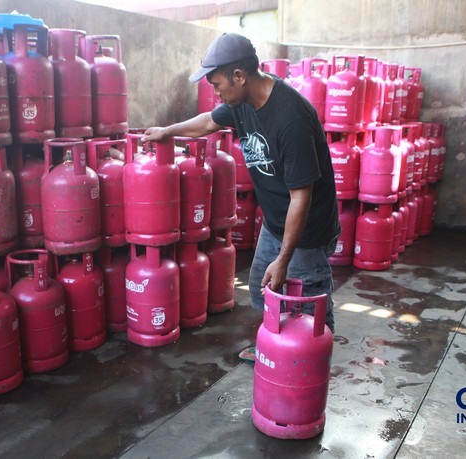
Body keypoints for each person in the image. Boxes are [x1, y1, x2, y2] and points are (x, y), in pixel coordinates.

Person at [143, 33, 340, 361]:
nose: (215, 92)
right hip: (276, 220)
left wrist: (284, 257)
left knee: (308, 305)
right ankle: (276, 349)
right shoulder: (242, 103)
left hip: (307, 229)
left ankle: (310, 366)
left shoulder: (291, 118)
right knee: (263, 289)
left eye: (217, 84)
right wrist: (168, 130)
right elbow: (208, 121)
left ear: (239, 75)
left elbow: (301, 198)